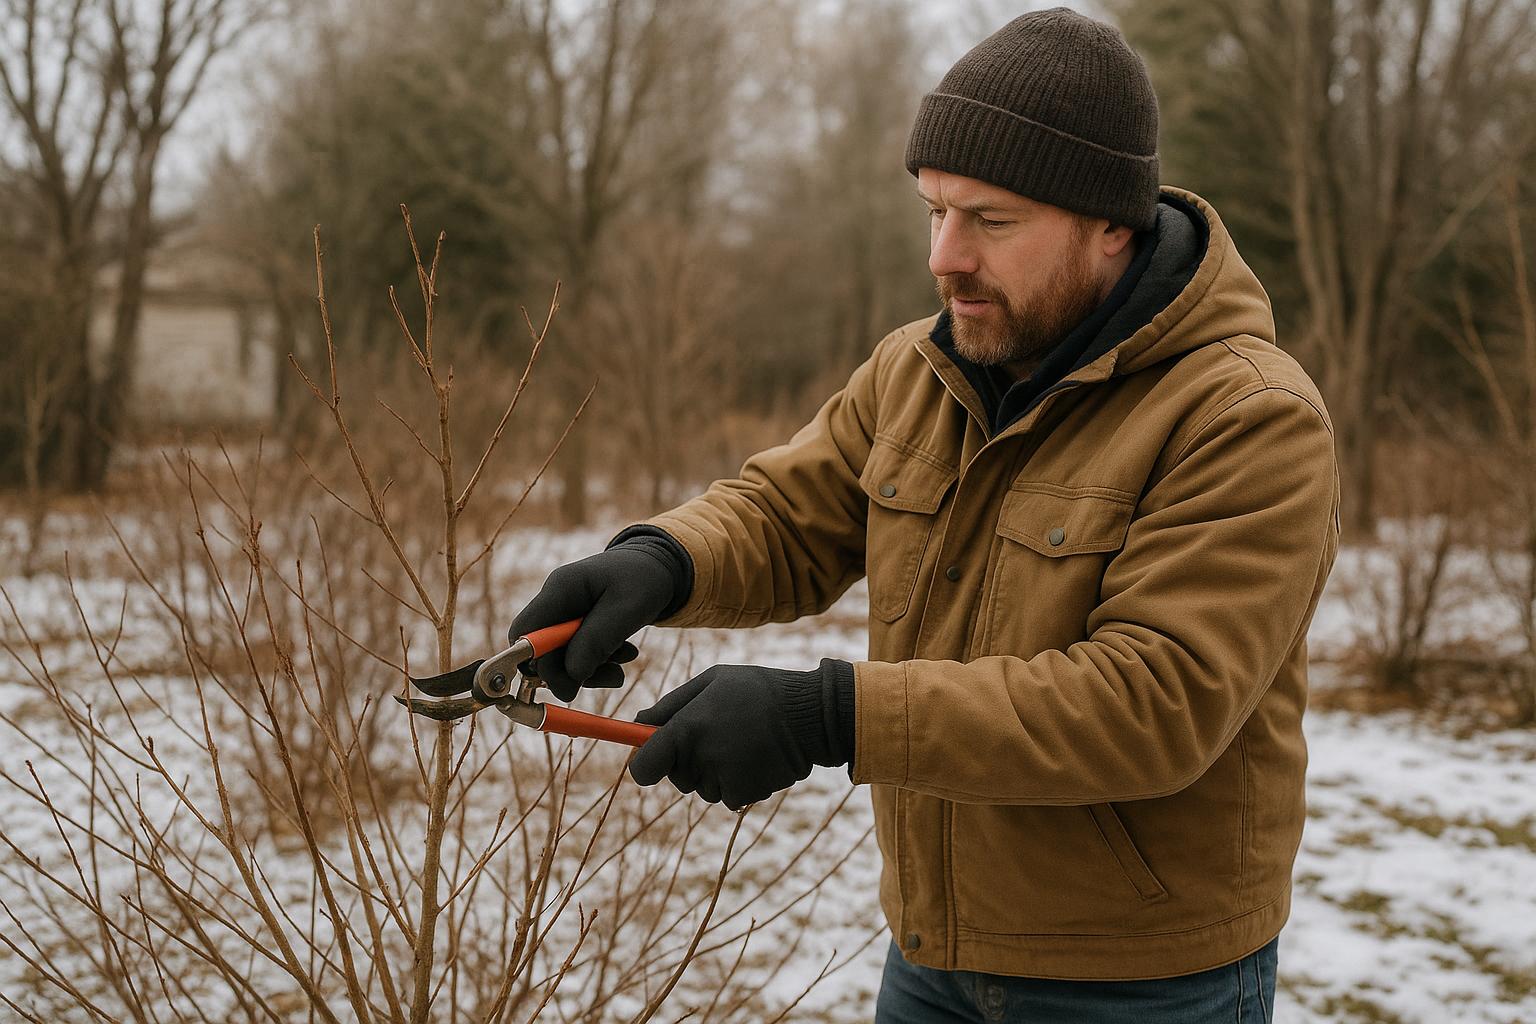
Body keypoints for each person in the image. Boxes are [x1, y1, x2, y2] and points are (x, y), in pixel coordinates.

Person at [507, 8, 1339, 1022]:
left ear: (1110, 223)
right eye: (933, 211)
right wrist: (661, 560)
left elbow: (1152, 702)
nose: (945, 256)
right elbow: (788, 512)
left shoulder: (1247, 415)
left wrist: (829, 715)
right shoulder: (924, 364)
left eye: (990, 220)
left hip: (1142, 983)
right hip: (933, 956)